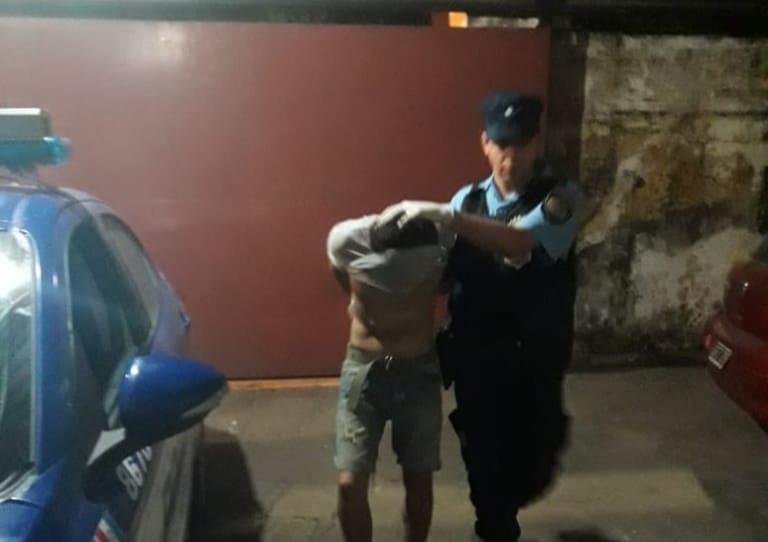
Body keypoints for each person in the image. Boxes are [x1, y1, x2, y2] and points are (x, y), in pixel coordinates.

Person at [381, 91, 581, 541]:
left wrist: (444, 216)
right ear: (484, 144)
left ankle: (502, 509)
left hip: (533, 361)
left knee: (533, 464)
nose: (510, 157)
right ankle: (494, 527)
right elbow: (443, 276)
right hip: (476, 358)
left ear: (537, 143)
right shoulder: (466, 200)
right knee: (485, 469)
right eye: (501, 144)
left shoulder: (559, 197)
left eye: (520, 144)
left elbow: (517, 241)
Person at [326, 211, 454, 542]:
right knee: (349, 483)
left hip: (418, 372)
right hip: (364, 372)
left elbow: (450, 279)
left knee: (418, 478)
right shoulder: (346, 240)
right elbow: (341, 276)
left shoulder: (442, 241)